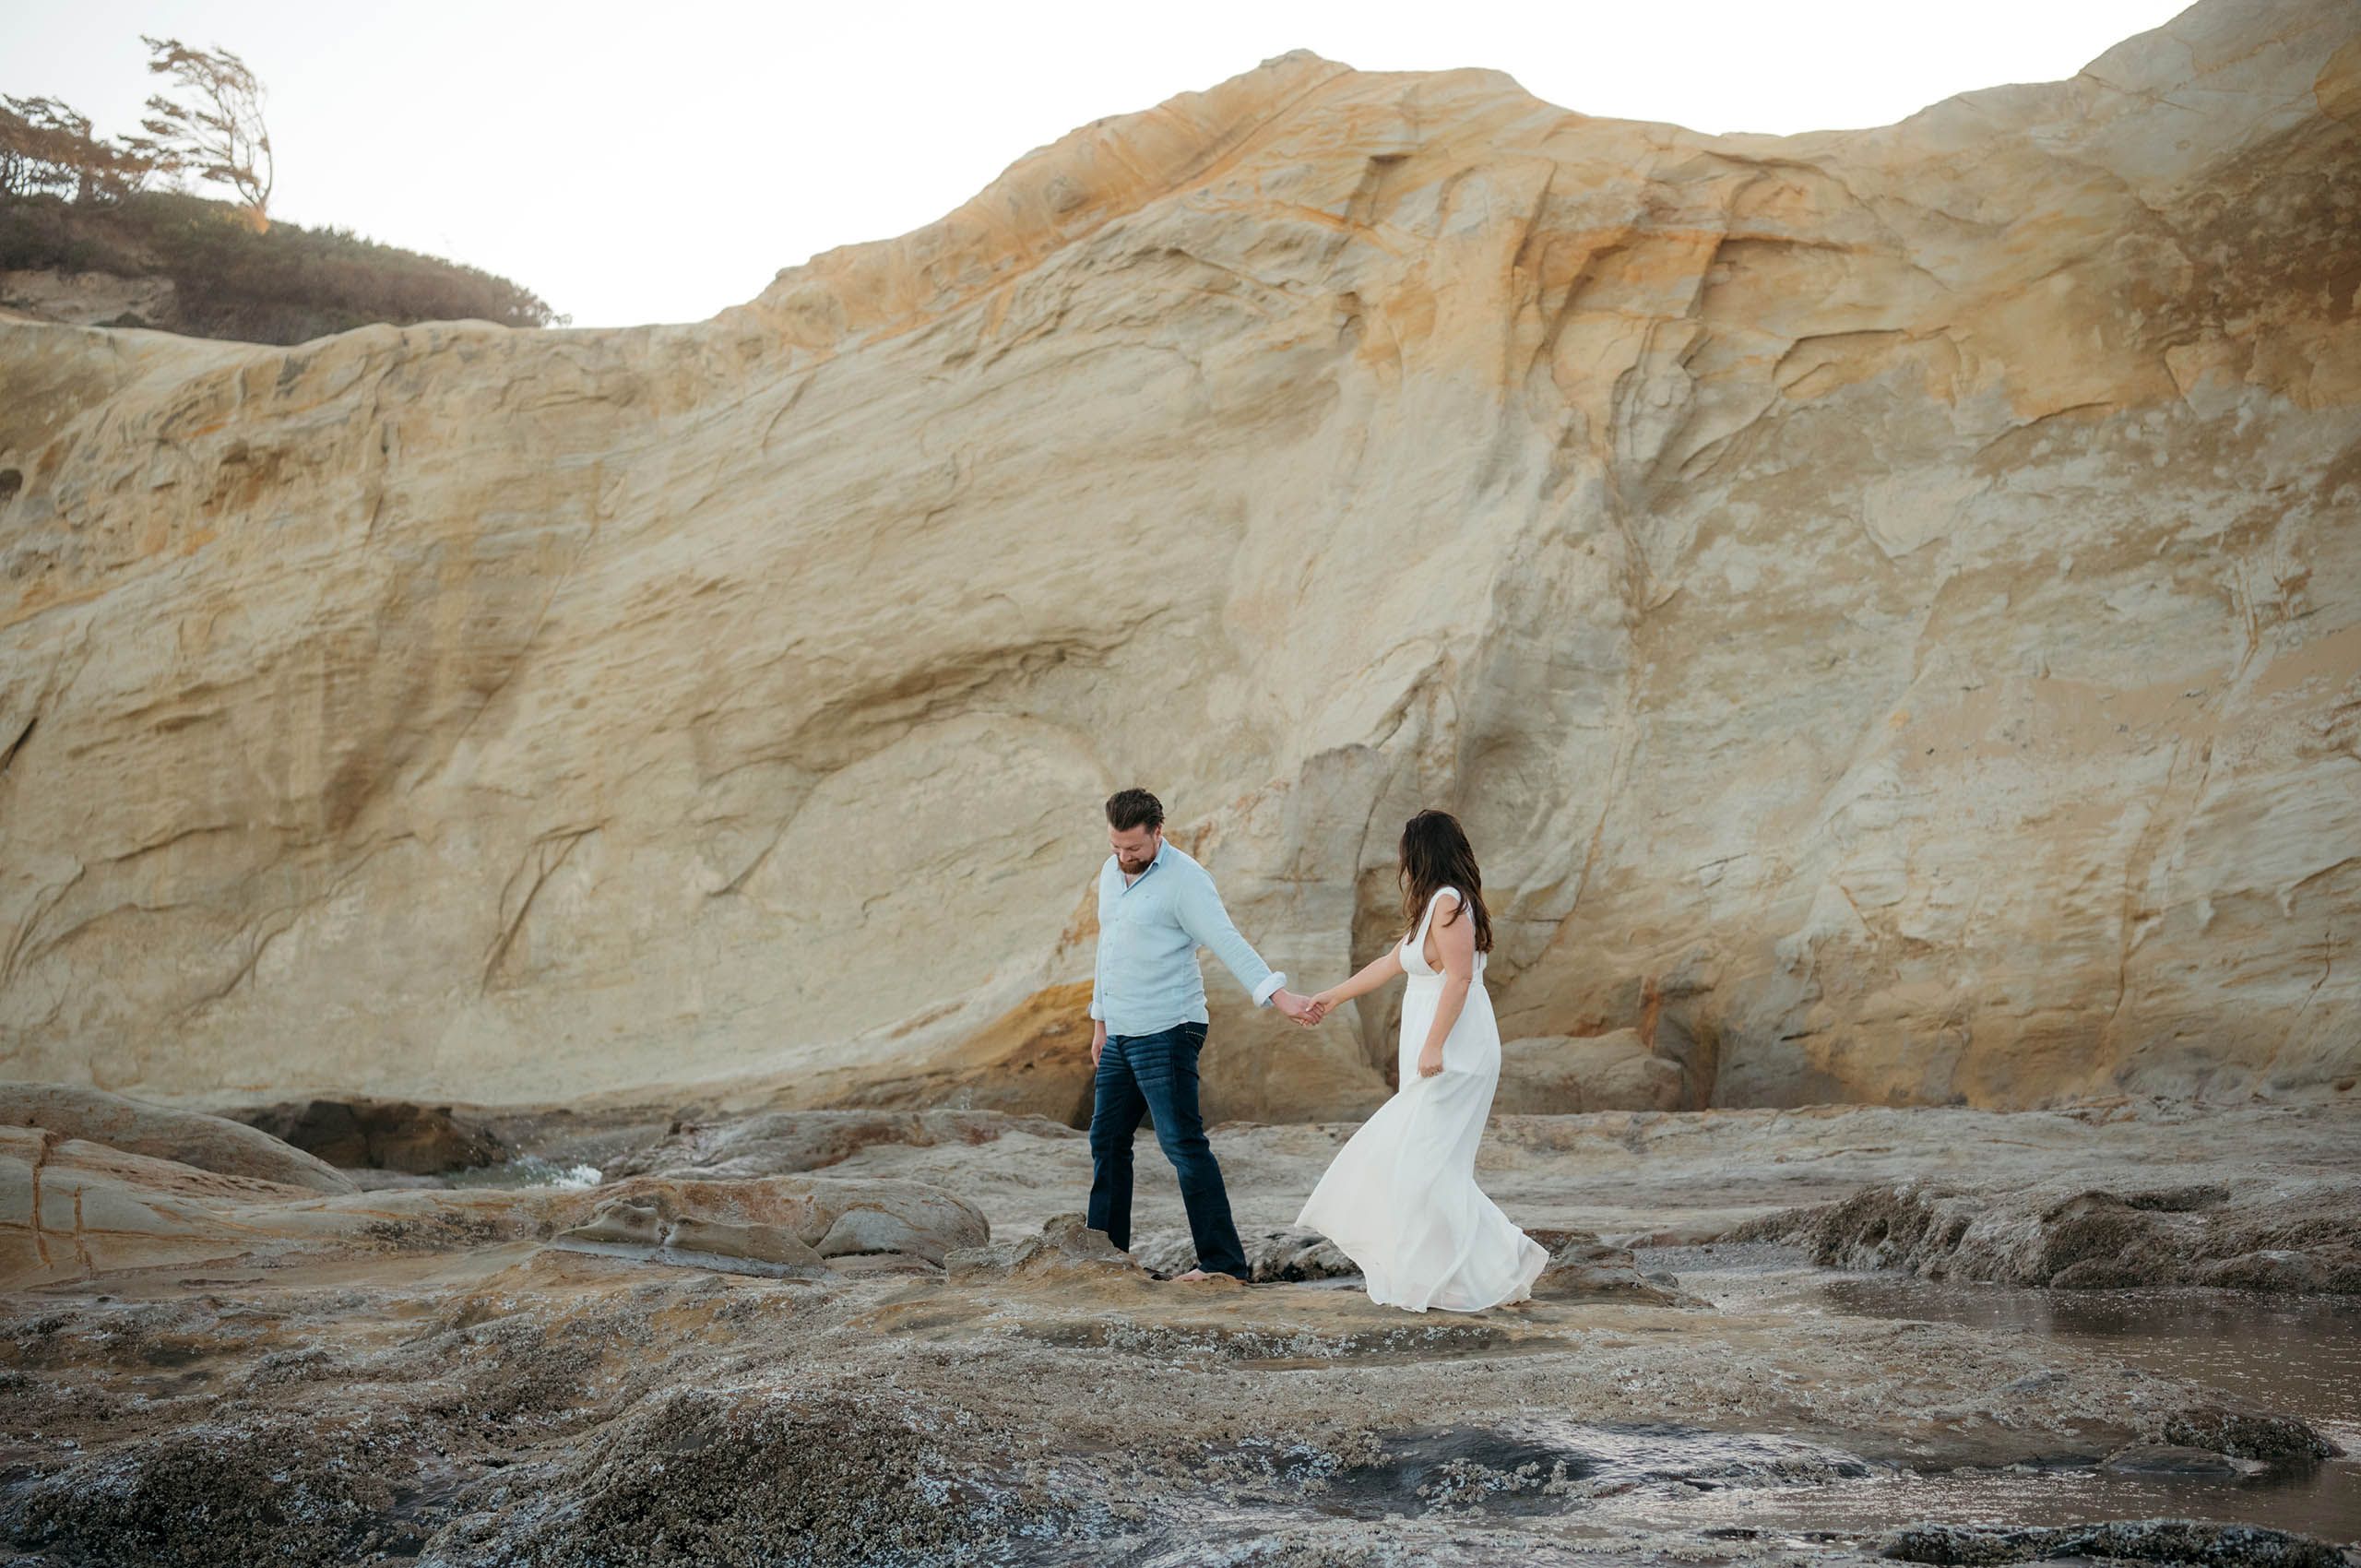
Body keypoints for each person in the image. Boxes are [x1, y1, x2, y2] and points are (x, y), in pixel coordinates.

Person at [1291, 809, 1548, 1313]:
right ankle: (1454, 1274)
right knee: (1424, 1167)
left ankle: (1504, 1262)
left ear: (1420, 854)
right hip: (1436, 1046)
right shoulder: (1434, 906)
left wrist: (1434, 1045)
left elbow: (1460, 979)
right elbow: (1390, 964)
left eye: (1406, 853)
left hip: (1457, 1050)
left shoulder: (1450, 902)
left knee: (1424, 1165)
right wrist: (1332, 997)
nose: (1402, 863)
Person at [1085, 787, 1318, 1282]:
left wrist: (1278, 996)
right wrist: (1100, 1021)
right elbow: (1109, 948)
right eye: (1116, 846)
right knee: (1106, 1140)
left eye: (1134, 847)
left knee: (1182, 1146)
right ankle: (1104, 1256)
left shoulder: (1186, 880)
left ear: (1158, 832)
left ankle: (1223, 1265)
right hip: (1120, 1032)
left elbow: (1227, 941)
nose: (1124, 857)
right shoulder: (1110, 872)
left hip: (1168, 1028)